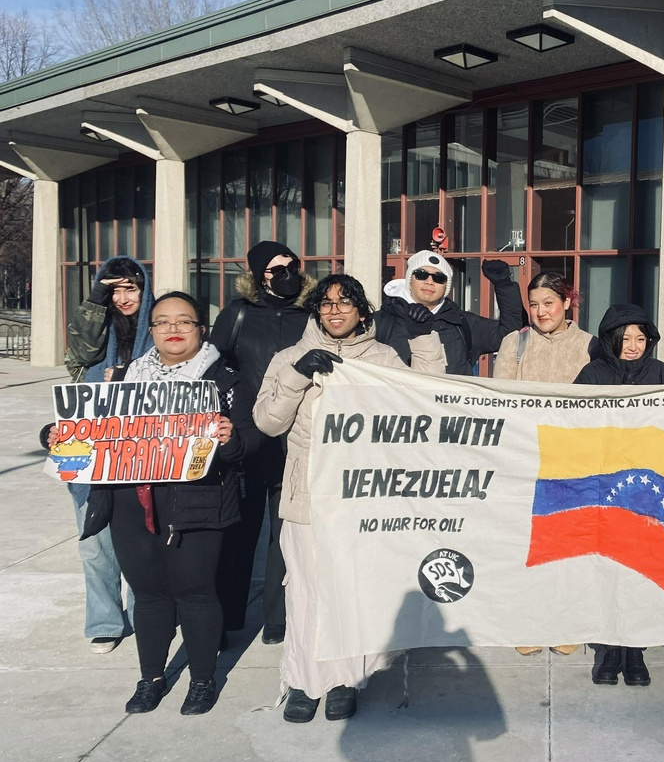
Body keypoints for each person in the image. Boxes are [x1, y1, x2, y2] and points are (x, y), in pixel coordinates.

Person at [254, 275, 438, 723]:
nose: (336, 311)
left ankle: (343, 682)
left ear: (362, 311)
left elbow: (429, 399)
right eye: (327, 304)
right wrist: (298, 377)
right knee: (305, 590)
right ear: (316, 310)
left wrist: (423, 335)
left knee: (351, 590)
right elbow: (267, 422)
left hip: (361, 496)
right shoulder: (288, 357)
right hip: (307, 497)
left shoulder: (381, 358)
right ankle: (304, 681)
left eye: (346, 303)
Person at [75, 292, 260, 716]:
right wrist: (57, 434)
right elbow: (86, 428)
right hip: (130, 502)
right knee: (149, 594)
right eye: (162, 322)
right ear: (151, 329)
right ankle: (151, 678)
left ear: (201, 328)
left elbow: (253, 439)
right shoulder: (121, 377)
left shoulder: (226, 379)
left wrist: (232, 439)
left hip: (199, 501)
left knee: (196, 591)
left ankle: (201, 679)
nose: (173, 330)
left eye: (184, 321)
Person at [209, 241, 315, 645]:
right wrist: (234, 392)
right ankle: (225, 618)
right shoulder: (238, 314)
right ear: (258, 275)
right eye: (274, 269)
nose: (285, 274)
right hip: (247, 438)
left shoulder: (310, 315)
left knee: (285, 533)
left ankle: (278, 620)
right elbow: (211, 363)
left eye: (291, 265)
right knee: (238, 531)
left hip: (296, 438)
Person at [574, 303, 664, 687]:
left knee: (642, 571)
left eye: (641, 338)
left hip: (648, 492)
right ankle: (610, 649)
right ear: (611, 338)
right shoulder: (592, 374)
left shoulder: (662, 373)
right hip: (605, 489)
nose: (633, 345)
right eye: (626, 337)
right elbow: (574, 425)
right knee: (608, 569)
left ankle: (636, 650)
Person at [494, 270, 595, 657]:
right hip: (525, 458)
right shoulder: (514, 343)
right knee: (526, 544)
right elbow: (500, 397)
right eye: (533, 305)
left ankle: (566, 622)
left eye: (548, 303)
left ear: (567, 302)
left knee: (568, 544)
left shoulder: (589, 346)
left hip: (573, 461)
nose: (540, 311)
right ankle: (528, 621)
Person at [63, 256, 154, 654]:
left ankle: (144, 615)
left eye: (130, 288)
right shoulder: (94, 333)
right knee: (95, 542)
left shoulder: (155, 329)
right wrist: (96, 298)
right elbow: (80, 351)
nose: (123, 297)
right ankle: (104, 621)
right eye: (113, 290)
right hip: (91, 446)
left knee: (143, 538)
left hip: (142, 448)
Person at [377, 250, 525, 375]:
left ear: (446, 287)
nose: (429, 281)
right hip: (396, 407)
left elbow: (509, 335)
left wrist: (504, 286)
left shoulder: (462, 323)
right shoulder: (382, 322)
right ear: (409, 279)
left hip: (451, 407)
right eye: (421, 274)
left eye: (439, 278)